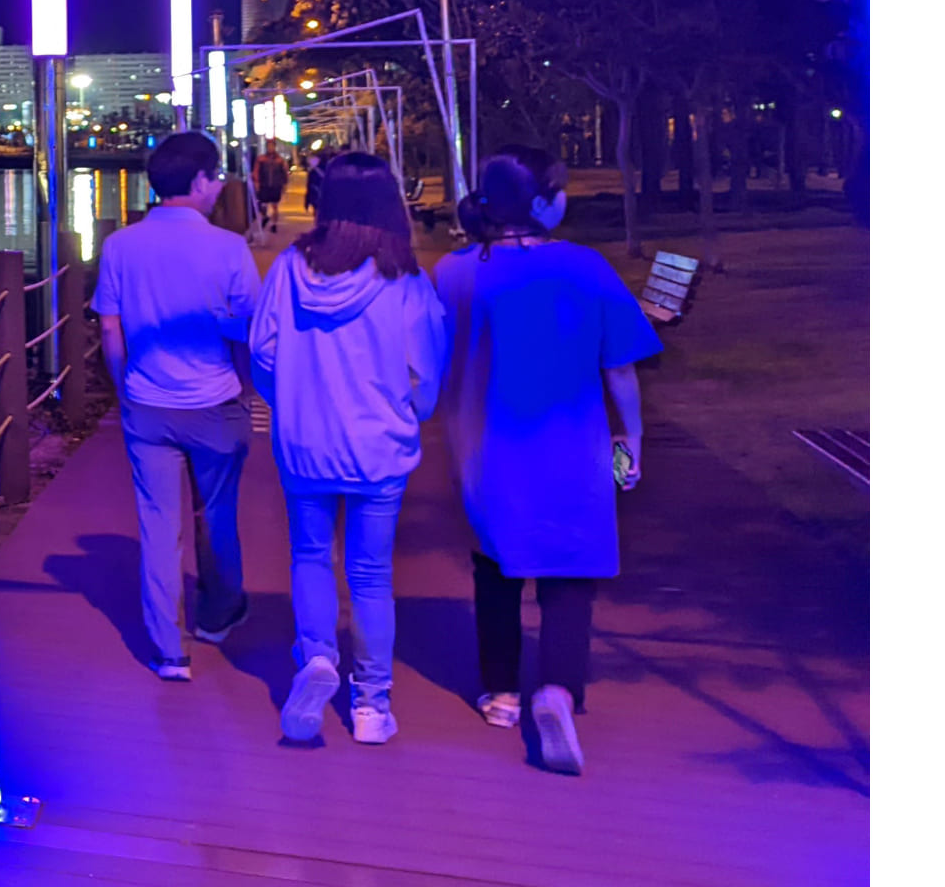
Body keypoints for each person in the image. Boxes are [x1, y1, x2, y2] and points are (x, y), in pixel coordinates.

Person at [439, 152, 659, 775]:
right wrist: (632, 436)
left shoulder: (456, 273)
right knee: (570, 573)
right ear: (540, 203)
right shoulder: (585, 268)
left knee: (495, 566)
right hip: (572, 447)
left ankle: (501, 691)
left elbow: (433, 360)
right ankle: (558, 689)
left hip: (485, 446)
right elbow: (619, 362)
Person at [243, 149, 448, 747]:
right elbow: (425, 370)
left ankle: (316, 659)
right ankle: (371, 704)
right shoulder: (404, 277)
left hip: (305, 442)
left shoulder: (288, 268)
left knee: (310, 554)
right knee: (370, 573)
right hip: (379, 447)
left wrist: (291, 402)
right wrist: (414, 412)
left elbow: (264, 352)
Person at [93, 127, 258, 681]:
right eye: (216, 175)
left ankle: (168, 649)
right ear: (198, 181)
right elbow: (246, 332)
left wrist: (124, 385)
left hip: (145, 401)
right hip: (216, 400)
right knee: (218, 514)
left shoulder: (120, 245)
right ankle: (216, 616)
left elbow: (110, 329)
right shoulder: (230, 248)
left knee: (158, 525)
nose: (220, 186)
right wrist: (244, 386)